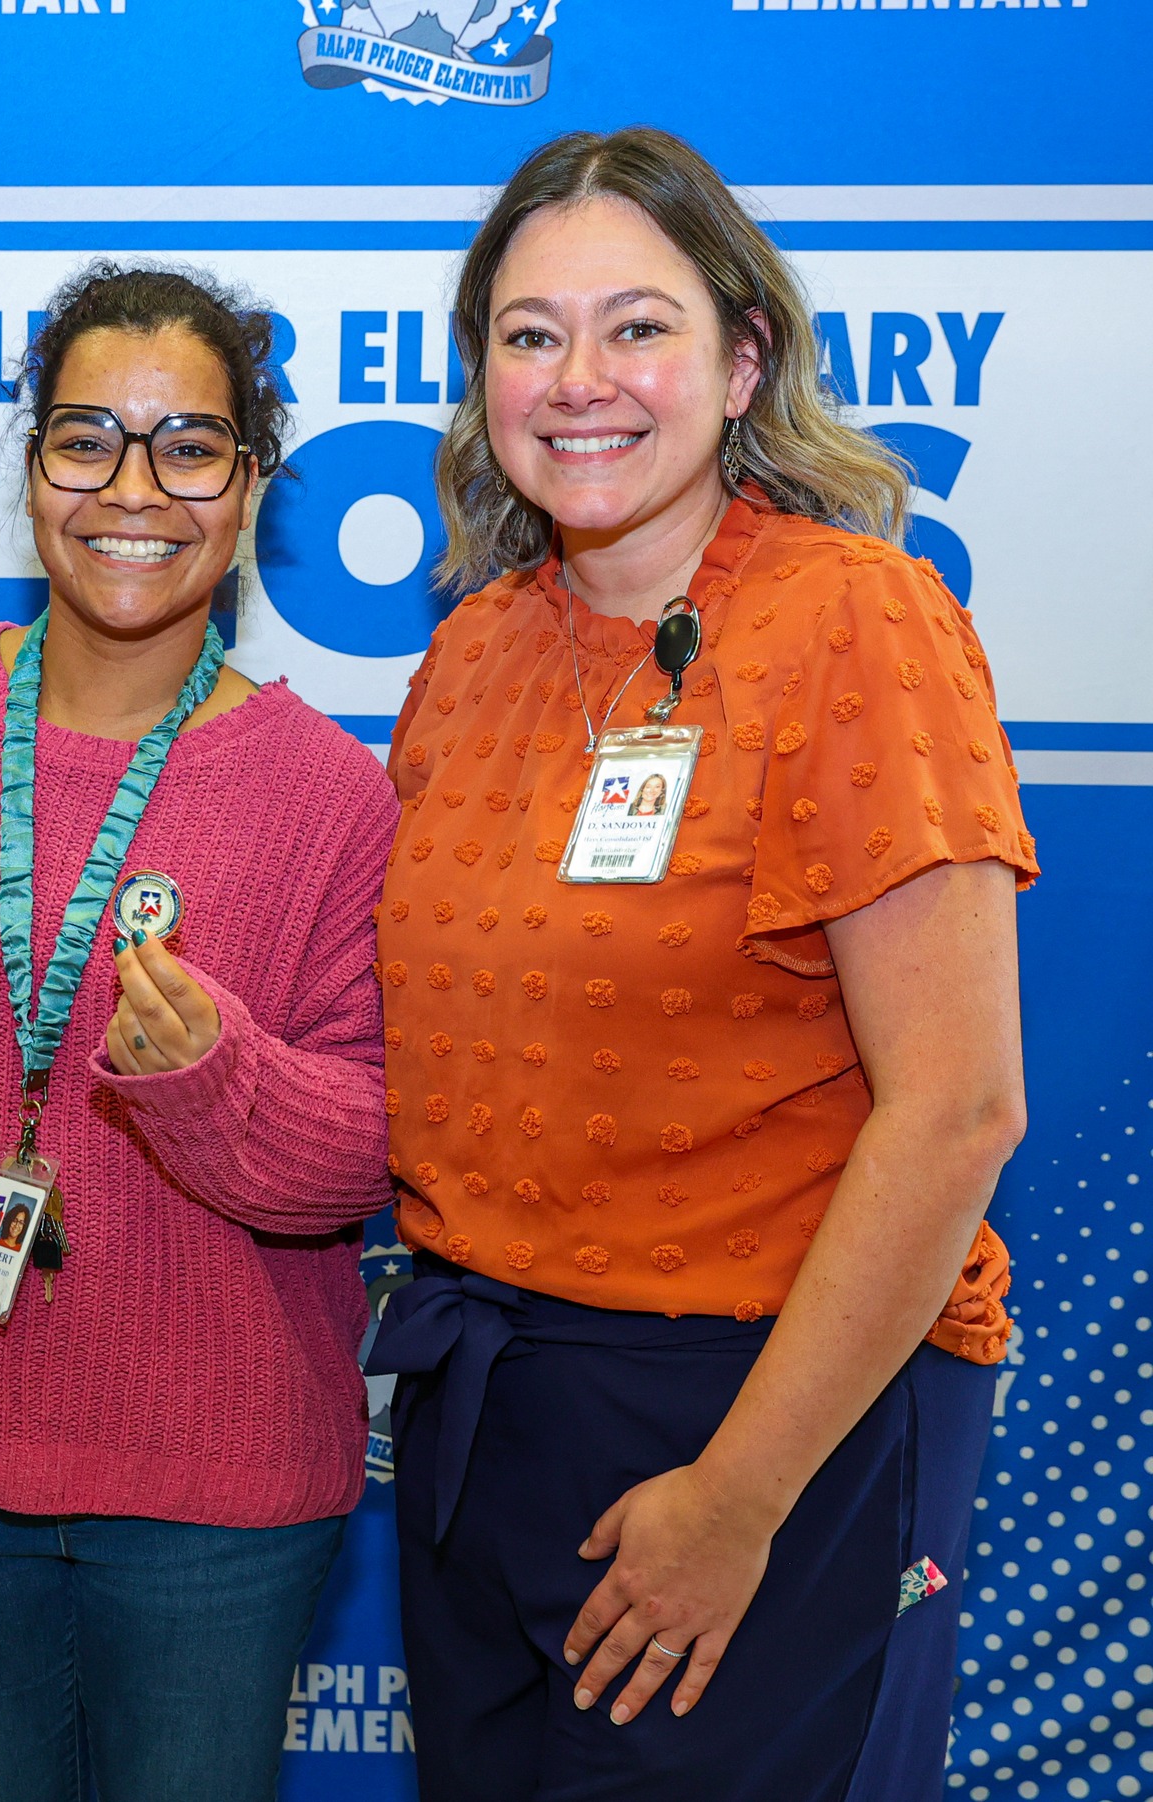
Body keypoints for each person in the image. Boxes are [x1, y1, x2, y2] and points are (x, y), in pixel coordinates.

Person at [369, 127, 1036, 1802]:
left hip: (760, 1403)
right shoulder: (473, 647)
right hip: (484, 1392)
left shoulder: (857, 622)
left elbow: (956, 1109)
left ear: (744, 361)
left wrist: (740, 1494)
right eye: (529, 335)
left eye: (636, 327)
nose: (578, 379)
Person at [0, 262, 398, 1802]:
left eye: (189, 446)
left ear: (252, 485)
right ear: (28, 474)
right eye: (88, 440)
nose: (135, 490)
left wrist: (217, 1081)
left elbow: (372, 1153)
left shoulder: (335, 794)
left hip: (220, 1486)